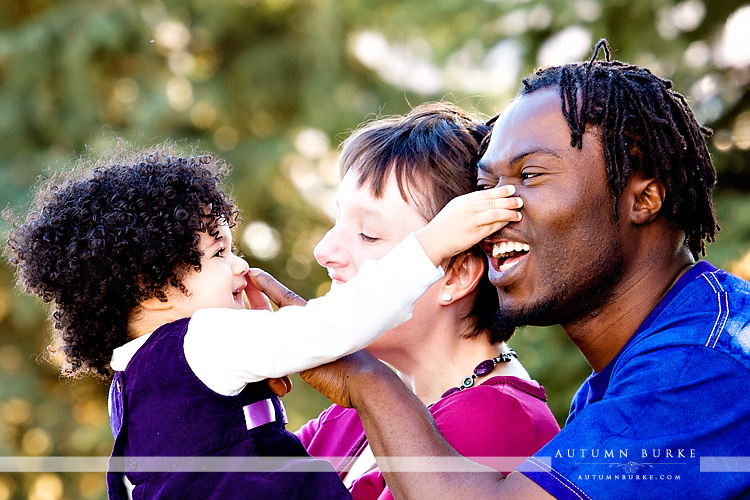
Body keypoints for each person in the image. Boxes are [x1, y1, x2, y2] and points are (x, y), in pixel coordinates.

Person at [261, 40, 750, 499]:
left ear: (643, 198)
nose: (494, 213)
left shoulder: (702, 362)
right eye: (485, 186)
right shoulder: (631, 377)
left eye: (530, 175)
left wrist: (363, 378)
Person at [4, 141, 523, 499]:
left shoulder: (132, 382)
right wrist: (430, 246)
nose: (240, 266)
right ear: (150, 285)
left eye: (369, 234)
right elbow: (335, 324)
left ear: (460, 276)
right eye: (217, 254)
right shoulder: (204, 341)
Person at [294, 102, 560, 499]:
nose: (324, 250)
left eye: (368, 234)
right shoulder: (356, 406)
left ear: (456, 274)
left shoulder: (497, 422)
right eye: (336, 221)